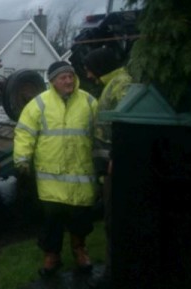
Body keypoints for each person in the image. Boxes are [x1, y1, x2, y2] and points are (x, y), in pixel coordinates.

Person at [14, 61, 98, 277]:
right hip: (50, 178)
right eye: (63, 77)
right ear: (52, 81)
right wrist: (22, 160)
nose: (68, 80)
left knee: (80, 218)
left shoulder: (89, 102)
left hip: (81, 174)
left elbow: (101, 133)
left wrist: (104, 159)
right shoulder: (38, 104)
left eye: (71, 76)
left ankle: (80, 250)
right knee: (51, 221)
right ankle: (52, 256)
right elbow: (25, 132)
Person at [83, 47, 133, 288]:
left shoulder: (121, 85)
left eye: (89, 70)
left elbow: (126, 127)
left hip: (119, 169)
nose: (89, 76)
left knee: (117, 222)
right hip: (111, 170)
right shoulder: (112, 85)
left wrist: (116, 157)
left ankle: (116, 274)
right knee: (111, 221)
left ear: (101, 67)